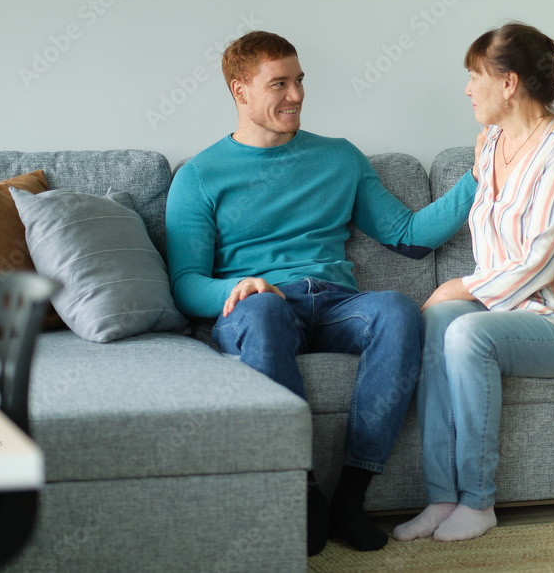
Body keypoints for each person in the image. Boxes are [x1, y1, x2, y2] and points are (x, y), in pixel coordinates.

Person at [165, 30, 478, 555]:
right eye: (279, 84)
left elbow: (409, 237)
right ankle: (301, 493)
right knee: (263, 312)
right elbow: (184, 285)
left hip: (335, 302)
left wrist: (480, 175)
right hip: (259, 308)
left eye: (300, 80)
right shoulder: (198, 176)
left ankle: (350, 499)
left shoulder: (339, 157)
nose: (296, 95)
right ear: (240, 91)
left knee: (399, 310)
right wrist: (239, 287)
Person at [393, 22, 554, 543]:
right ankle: (441, 497)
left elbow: (541, 259)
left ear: (508, 83)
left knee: (466, 330)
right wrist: (456, 296)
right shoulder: (491, 143)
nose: (467, 88)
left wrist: (463, 286)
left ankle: (478, 502)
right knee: (435, 320)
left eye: (475, 75)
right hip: (513, 314)